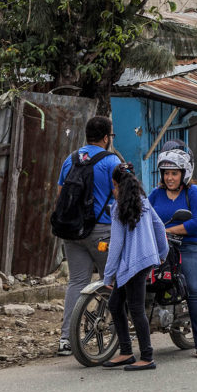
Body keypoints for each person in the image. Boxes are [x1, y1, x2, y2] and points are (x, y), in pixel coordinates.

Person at [56, 116, 122, 356]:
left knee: (76, 282)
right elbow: (121, 196)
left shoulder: (71, 159)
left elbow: (61, 194)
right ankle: (118, 333)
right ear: (106, 137)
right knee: (112, 279)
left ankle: (66, 339)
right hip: (102, 231)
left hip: (72, 231)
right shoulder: (111, 161)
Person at [102, 165, 168, 371]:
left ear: (117, 186)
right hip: (144, 261)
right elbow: (160, 227)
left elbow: (115, 246)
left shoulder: (118, 210)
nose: (112, 191)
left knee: (136, 308)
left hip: (133, 264)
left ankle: (147, 357)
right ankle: (126, 352)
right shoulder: (145, 203)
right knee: (115, 304)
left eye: (113, 186)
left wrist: (107, 276)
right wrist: (162, 253)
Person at [148, 146, 197, 358]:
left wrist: (168, 230)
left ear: (184, 174)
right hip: (163, 247)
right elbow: (143, 215)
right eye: (166, 173)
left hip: (192, 246)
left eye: (174, 173)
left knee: (193, 289)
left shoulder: (194, 192)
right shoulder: (156, 194)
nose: (169, 177)